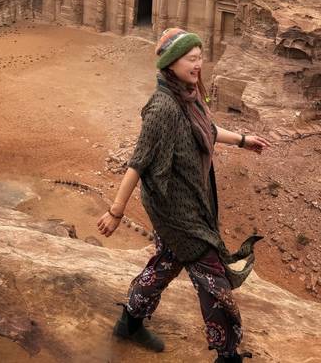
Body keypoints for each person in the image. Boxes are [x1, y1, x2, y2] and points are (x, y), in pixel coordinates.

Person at [97, 27, 269, 362]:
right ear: (172, 62)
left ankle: (129, 323)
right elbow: (138, 162)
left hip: (190, 203)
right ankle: (227, 354)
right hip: (176, 212)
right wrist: (116, 212)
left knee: (165, 263)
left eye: (200, 57)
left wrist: (244, 140)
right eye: (192, 58)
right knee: (213, 281)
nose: (198, 64)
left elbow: (208, 130)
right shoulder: (162, 108)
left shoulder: (188, 96)